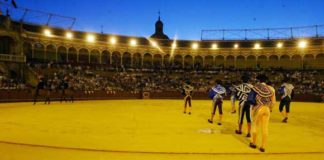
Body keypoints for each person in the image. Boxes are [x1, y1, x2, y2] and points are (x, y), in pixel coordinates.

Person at [247, 74, 276, 152]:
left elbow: (250, 99)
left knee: (255, 125)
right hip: (267, 109)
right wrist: (270, 109)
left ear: (259, 80)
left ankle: (253, 142)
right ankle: (263, 146)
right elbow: (273, 102)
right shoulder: (271, 89)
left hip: (258, 108)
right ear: (266, 81)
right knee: (265, 128)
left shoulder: (255, 87)